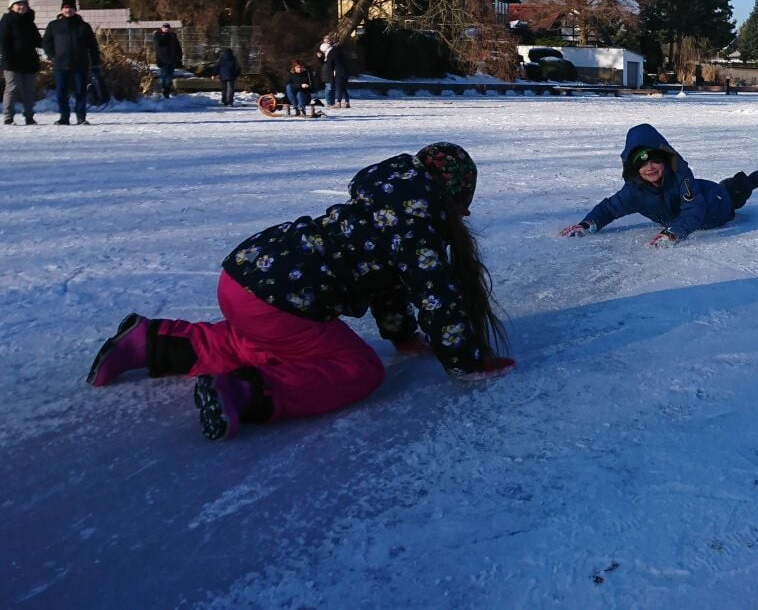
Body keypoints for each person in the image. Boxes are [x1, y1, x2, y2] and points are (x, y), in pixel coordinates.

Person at [87, 143, 515, 440]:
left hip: (242, 276)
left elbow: (389, 286)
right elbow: (436, 297)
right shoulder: (420, 228)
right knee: (358, 369)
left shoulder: (386, 204)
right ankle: (246, 393)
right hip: (282, 303)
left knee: (248, 339)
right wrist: (467, 362)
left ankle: (150, 342)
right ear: (451, 199)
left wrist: (400, 335)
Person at [559, 123, 758, 248]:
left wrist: (673, 233)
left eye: (656, 161)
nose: (650, 168)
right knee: (721, 188)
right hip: (702, 193)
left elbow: (694, 210)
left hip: (716, 205)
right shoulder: (634, 191)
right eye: (642, 164)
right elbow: (609, 208)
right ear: (633, 169)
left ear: (666, 161)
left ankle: (748, 182)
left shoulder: (682, 179)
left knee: (733, 195)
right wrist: (587, 224)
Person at [41, 0, 100, 125]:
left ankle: (81, 117)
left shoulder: (83, 26)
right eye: (66, 8)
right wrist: (52, 55)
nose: (68, 10)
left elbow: (93, 46)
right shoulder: (53, 25)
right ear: (62, 9)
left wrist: (96, 61)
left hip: (80, 64)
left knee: (81, 92)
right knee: (61, 93)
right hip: (60, 65)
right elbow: (46, 42)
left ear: (75, 9)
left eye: (71, 8)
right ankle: (64, 117)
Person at [1, 0, 42, 125]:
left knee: (29, 90)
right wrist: (6, 60)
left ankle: (29, 116)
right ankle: (8, 116)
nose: (21, 6)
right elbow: (3, 42)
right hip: (12, 62)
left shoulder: (29, 21)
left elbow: (38, 40)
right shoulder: (7, 20)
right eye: (18, 4)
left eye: (23, 4)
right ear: (11, 6)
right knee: (12, 89)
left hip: (29, 61)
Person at [153, 22, 183, 98]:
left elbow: (178, 47)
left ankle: (166, 92)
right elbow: (159, 43)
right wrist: (166, 35)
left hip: (172, 60)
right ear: (162, 28)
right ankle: (158, 91)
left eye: (168, 28)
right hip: (163, 60)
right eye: (165, 27)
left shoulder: (173, 36)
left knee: (169, 77)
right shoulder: (158, 35)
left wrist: (179, 58)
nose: (166, 29)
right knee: (163, 76)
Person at [321, 35, 350, 108]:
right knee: (343, 87)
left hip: (338, 71)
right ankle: (346, 101)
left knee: (339, 87)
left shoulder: (333, 52)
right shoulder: (342, 50)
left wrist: (331, 69)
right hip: (345, 70)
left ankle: (338, 102)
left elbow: (329, 63)